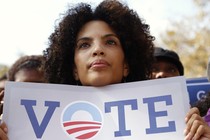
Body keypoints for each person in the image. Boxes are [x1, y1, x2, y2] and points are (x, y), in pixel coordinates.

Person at [0, 0, 209, 139]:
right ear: (73, 68)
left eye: (110, 42)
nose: (98, 49)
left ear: (127, 64)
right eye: (84, 45)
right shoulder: (28, 127)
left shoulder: (175, 122)